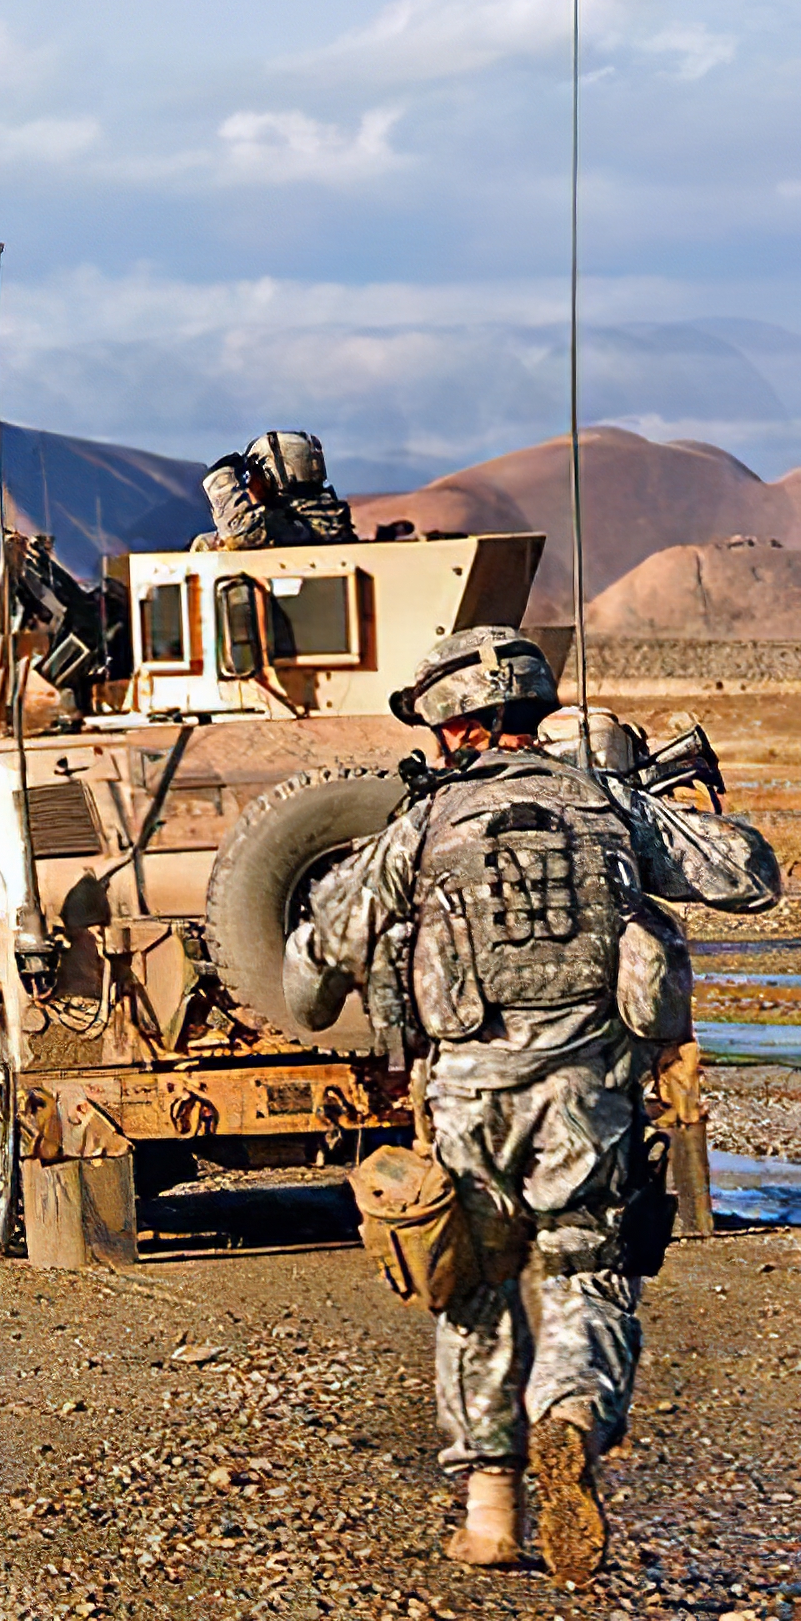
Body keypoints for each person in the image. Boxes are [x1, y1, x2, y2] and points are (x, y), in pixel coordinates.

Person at [287, 626, 780, 1583]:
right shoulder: (611, 804)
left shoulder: (423, 826)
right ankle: (571, 1417)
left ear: (459, 723)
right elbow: (750, 877)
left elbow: (319, 958)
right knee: (587, 1275)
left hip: (469, 1101)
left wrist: (310, 985)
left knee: (470, 1290)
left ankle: (492, 1516)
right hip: (589, 1102)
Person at [191, 430, 359, 551]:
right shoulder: (328, 517)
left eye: (255, 473)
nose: (249, 482)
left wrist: (220, 481)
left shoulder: (294, 526)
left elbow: (240, 533)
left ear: (273, 474)